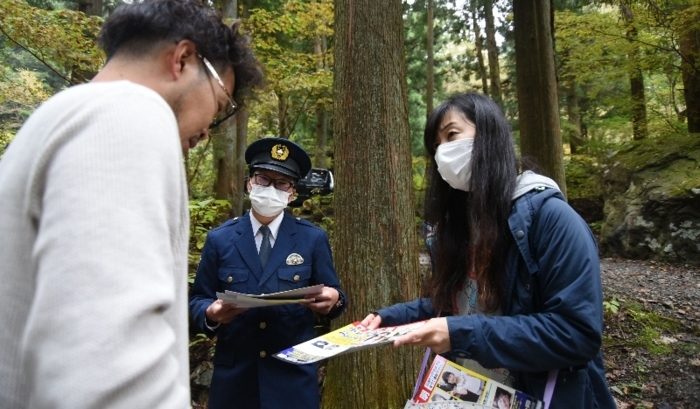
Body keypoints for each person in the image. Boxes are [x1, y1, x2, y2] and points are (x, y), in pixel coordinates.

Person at [0, 0, 263, 408]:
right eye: (221, 103)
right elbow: (105, 366)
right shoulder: (127, 115)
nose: (209, 128)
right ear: (181, 60)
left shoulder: (64, 116)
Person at [361, 93, 617, 408]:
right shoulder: (460, 228)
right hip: (471, 392)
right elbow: (462, 303)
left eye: (452, 134)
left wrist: (460, 332)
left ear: (489, 133)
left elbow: (576, 333)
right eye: (436, 146)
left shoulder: (551, 218)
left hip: (540, 394)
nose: (443, 151)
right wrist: (389, 318)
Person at [189, 137, 347, 409]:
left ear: (292, 193)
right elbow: (196, 302)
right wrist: (211, 314)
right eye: (263, 179)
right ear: (250, 183)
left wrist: (334, 300)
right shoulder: (220, 239)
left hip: (292, 381)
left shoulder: (312, 239)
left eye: (281, 183)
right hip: (235, 382)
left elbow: (335, 297)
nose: (271, 188)